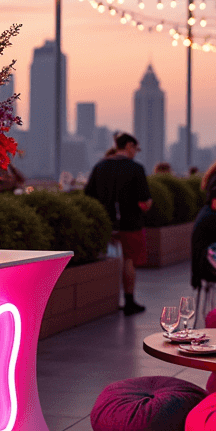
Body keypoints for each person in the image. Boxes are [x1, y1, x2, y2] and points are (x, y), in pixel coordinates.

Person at [85, 132, 152, 316]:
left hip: (106, 222)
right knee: (129, 260)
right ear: (129, 145)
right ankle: (129, 301)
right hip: (130, 222)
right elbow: (145, 200)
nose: (135, 153)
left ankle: (104, 302)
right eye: (135, 149)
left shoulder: (100, 166)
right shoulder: (136, 168)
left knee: (106, 259)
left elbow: (88, 195)